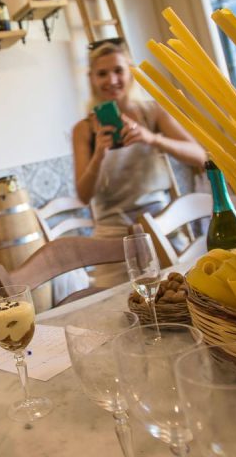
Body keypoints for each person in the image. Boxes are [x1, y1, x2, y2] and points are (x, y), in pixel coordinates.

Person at [72, 39, 206, 285]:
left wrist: (152, 138)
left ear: (130, 72)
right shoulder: (84, 129)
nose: (111, 80)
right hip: (112, 242)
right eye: (102, 73)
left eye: (118, 71)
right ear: (92, 78)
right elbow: (83, 196)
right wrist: (99, 156)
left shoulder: (152, 112)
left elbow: (199, 156)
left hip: (164, 227)